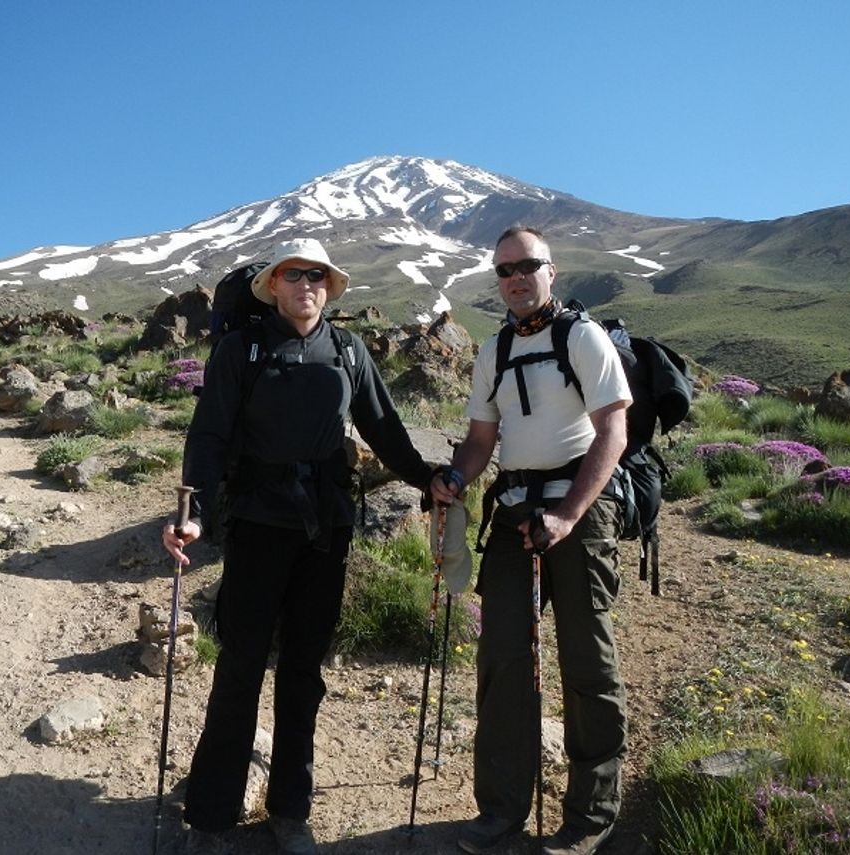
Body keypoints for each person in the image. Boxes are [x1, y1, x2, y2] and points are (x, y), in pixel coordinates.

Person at [161, 237, 434, 855]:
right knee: (240, 668)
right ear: (274, 286)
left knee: (304, 674)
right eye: (294, 274)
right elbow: (208, 436)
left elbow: (384, 427)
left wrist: (428, 479)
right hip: (258, 525)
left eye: (317, 276)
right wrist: (194, 514)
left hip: (326, 531)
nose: (306, 284)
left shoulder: (348, 350)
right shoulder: (242, 349)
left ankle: (291, 810)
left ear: (329, 287)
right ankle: (209, 818)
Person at [430, 226, 632, 855]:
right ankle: (501, 809)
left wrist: (569, 515)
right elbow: (482, 439)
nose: (516, 277)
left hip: (581, 510)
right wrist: (456, 477)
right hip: (515, 512)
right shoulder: (492, 349)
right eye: (504, 270)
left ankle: (590, 816)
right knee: (503, 660)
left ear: (551, 270)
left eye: (527, 266)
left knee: (585, 659)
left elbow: (612, 434)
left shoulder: (582, 337)